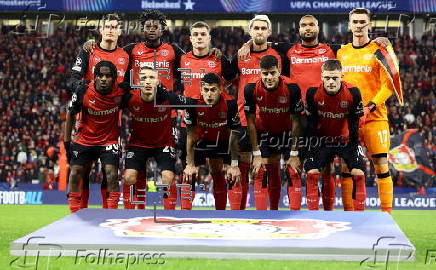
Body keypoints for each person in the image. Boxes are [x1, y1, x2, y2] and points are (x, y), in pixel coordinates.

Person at [239, 14, 390, 211]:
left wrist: (380, 40)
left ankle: (327, 213)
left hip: (322, 117)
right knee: (300, 168)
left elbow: (355, 48)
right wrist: (247, 43)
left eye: (311, 25)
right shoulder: (288, 49)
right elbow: (261, 39)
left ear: (318, 28)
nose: (308, 28)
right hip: (295, 118)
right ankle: (297, 212)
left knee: (325, 168)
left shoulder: (332, 50)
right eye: (304, 25)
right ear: (299, 29)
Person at [337, 8, 403, 213]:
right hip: (349, 121)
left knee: (381, 166)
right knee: (346, 168)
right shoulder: (342, 52)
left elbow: (389, 84)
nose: (358, 25)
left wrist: (370, 106)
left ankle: (387, 216)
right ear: (349, 25)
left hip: (375, 118)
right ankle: (350, 215)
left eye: (362, 22)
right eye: (354, 22)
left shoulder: (379, 50)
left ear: (369, 25)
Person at [67, 13, 128, 209]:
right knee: (83, 170)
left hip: (112, 123)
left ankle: (108, 213)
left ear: (119, 31)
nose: (110, 30)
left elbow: (129, 87)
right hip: (86, 119)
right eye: (107, 26)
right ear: (101, 30)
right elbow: (72, 80)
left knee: (110, 171)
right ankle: (79, 213)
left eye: (114, 27)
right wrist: (85, 89)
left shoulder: (126, 56)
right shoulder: (88, 51)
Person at [177, 21, 237, 210]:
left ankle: (221, 212)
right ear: (191, 37)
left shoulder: (219, 59)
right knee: (189, 170)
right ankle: (186, 212)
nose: (199, 37)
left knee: (217, 169)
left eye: (203, 34)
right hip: (192, 122)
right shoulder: (182, 60)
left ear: (209, 37)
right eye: (196, 34)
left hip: (217, 121)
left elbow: (235, 77)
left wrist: (218, 92)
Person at [231, 14, 288, 210]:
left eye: (264, 28)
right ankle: (240, 213)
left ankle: (271, 213)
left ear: (269, 32)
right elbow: (227, 79)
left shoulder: (279, 54)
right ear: (250, 31)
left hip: (272, 119)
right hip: (244, 119)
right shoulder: (240, 56)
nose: (260, 31)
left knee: (269, 168)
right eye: (256, 28)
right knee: (244, 168)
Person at [122, 66, 196, 209]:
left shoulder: (168, 97)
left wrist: (191, 122)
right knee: (129, 177)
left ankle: (170, 213)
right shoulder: (130, 98)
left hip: (163, 144)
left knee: (168, 178)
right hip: (138, 144)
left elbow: (192, 103)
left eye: (152, 78)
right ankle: (128, 214)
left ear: (158, 81)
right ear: (138, 82)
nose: (148, 82)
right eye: (144, 78)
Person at [305, 59, 366, 211]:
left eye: (335, 78)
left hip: (346, 140)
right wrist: (311, 149)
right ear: (321, 77)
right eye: (327, 78)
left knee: (358, 173)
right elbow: (311, 124)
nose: (331, 82)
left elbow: (354, 124)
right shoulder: (312, 93)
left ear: (342, 76)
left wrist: (353, 150)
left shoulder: (353, 92)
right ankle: (316, 217)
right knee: (312, 174)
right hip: (322, 141)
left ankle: (359, 218)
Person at [244, 55, 303, 210]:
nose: (269, 77)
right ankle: (263, 216)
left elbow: (297, 121)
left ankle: (294, 216)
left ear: (279, 71)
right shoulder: (251, 88)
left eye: (272, 73)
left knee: (293, 170)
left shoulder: (292, 88)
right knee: (260, 170)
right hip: (264, 131)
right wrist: (256, 154)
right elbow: (250, 122)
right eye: (265, 73)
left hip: (287, 132)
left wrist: (294, 154)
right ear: (260, 73)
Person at [184, 73, 241, 210]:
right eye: (206, 90)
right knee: (188, 174)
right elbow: (190, 135)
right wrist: (190, 163)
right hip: (201, 141)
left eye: (213, 90)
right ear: (201, 90)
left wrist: (233, 164)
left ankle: (230, 214)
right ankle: (184, 213)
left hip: (222, 141)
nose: (209, 94)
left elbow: (233, 136)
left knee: (231, 174)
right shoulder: (192, 103)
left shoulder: (230, 103)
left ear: (220, 89)